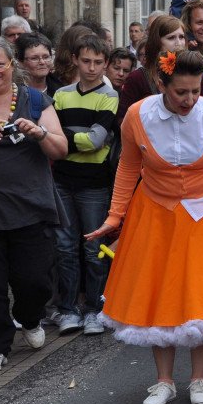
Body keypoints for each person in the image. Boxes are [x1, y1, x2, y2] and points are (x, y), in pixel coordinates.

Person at [85, 50, 203, 404]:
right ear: (161, 84)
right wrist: (115, 216)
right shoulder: (138, 115)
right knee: (158, 292)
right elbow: (128, 167)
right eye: (181, 92)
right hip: (156, 212)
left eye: (196, 91)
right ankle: (164, 380)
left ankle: (199, 378)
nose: (190, 99)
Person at [0, 36, 69, 373]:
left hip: (30, 207)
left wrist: (39, 133)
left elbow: (61, 149)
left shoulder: (35, 99)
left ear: (11, 65)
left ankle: (29, 317)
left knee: (34, 281)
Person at [51, 34, 119, 336]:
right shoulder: (62, 94)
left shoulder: (109, 95)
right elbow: (53, 135)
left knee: (93, 249)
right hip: (62, 179)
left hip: (94, 183)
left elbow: (95, 140)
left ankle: (94, 309)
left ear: (105, 64)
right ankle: (68, 309)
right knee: (65, 247)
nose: (92, 68)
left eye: (98, 62)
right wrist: (67, 139)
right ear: (75, 60)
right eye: (86, 61)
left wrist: (63, 138)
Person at [116, 15, 186, 123]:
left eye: (181, 37)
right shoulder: (137, 78)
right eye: (171, 38)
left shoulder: (192, 72)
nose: (178, 43)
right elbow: (123, 119)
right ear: (157, 42)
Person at [15, 33, 60, 97]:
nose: (42, 62)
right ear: (20, 62)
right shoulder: (13, 92)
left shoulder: (61, 90)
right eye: (34, 58)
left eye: (46, 57)